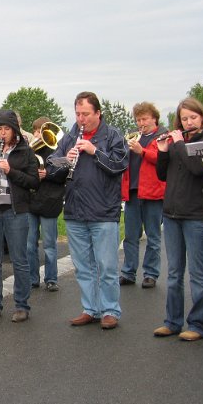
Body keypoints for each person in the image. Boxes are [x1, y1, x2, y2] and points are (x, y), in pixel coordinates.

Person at [46, 92, 128, 330]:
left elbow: (119, 165)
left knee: (107, 266)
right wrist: (65, 159)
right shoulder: (70, 136)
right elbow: (52, 166)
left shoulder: (113, 136)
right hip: (75, 209)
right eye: (78, 114)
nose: (81, 119)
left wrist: (94, 151)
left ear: (98, 113)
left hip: (103, 211)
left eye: (86, 114)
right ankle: (90, 309)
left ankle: (110, 310)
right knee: (83, 266)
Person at [152, 98, 203, 342]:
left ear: (202, 118)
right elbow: (162, 174)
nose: (188, 122)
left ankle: (199, 325)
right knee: (173, 273)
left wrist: (179, 143)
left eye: (192, 117)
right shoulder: (175, 143)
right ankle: (172, 322)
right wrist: (162, 151)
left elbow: (195, 168)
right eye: (184, 119)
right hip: (172, 213)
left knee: (198, 273)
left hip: (197, 215)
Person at [0, 109, 39, 322]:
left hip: (16, 212)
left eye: (7, 129)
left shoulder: (25, 152)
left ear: (14, 131)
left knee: (19, 260)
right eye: (0, 129)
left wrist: (11, 171)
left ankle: (22, 305)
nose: (3, 133)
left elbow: (33, 182)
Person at [119, 102, 167, 289]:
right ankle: (128, 272)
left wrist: (142, 150)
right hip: (132, 191)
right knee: (130, 236)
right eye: (138, 120)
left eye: (144, 119)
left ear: (154, 118)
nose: (141, 123)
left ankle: (151, 274)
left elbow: (162, 159)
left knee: (153, 236)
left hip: (153, 193)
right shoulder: (133, 137)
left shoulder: (163, 136)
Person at [27, 117, 65, 291]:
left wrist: (46, 174)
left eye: (41, 131)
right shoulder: (29, 151)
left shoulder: (58, 149)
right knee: (29, 244)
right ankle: (32, 278)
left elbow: (64, 171)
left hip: (50, 201)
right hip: (31, 201)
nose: (38, 134)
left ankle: (51, 279)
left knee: (50, 244)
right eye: (36, 131)